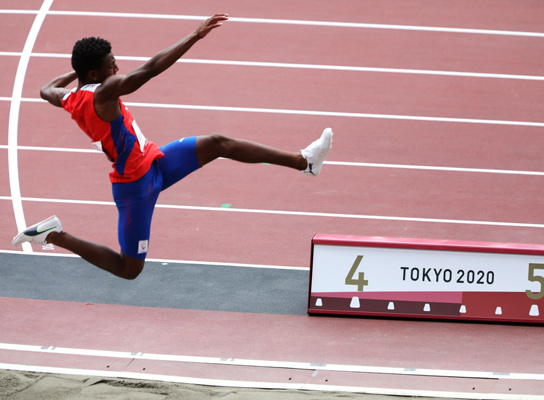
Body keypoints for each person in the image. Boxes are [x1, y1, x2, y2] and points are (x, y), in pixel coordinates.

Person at [11, 14, 333, 280]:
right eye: (111, 64)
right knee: (129, 269)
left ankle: (304, 161)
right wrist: (194, 36)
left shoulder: (70, 98)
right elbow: (149, 70)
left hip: (156, 163)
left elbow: (45, 89)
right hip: (135, 187)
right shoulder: (103, 93)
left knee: (218, 143)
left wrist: (81, 71)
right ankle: (55, 235)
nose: (117, 67)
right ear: (97, 73)